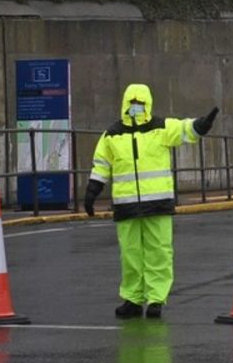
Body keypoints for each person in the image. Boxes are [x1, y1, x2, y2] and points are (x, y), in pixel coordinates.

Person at [85, 85, 219, 318]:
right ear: (126, 104)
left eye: (141, 103)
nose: (136, 107)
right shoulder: (112, 134)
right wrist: (92, 190)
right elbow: (102, 164)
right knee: (130, 255)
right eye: (132, 102)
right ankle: (133, 299)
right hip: (127, 206)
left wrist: (201, 124)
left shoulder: (160, 127)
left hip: (157, 204)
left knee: (159, 252)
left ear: (147, 104)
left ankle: (156, 299)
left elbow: (184, 129)